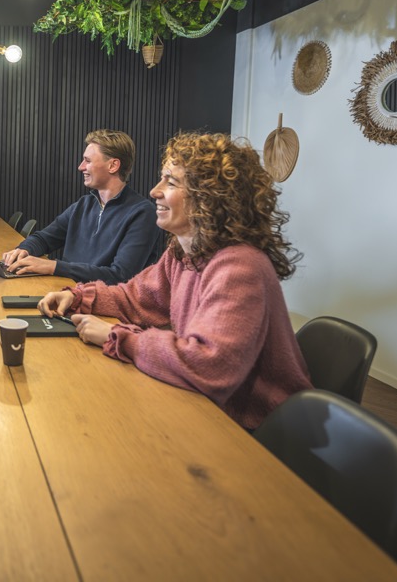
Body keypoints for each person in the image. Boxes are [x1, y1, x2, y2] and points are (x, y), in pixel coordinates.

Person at [38, 132, 311, 430]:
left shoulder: (240, 266)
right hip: (209, 408)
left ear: (209, 195)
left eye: (170, 182)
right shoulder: (182, 253)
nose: (155, 191)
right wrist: (79, 297)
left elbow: (209, 366)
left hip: (256, 431)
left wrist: (119, 336)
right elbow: (134, 298)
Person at [1, 129, 159, 284]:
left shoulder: (143, 213)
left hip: (98, 306)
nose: (81, 167)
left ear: (113, 165)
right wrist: (24, 250)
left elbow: (120, 275)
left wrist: (54, 267)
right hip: (67, 293)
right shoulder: (83, 204)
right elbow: (43, 239)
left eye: (88, 161)